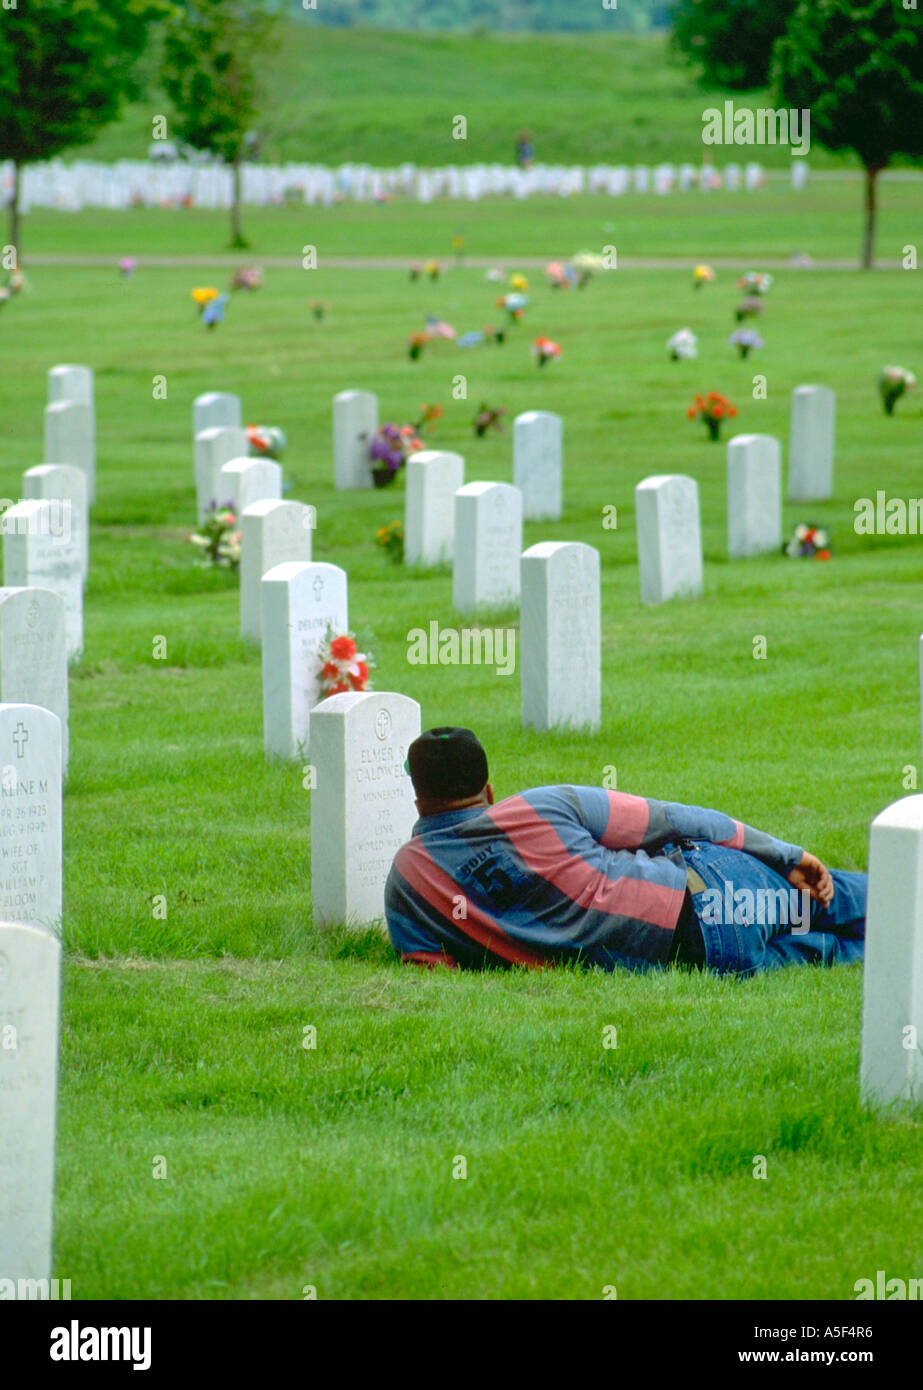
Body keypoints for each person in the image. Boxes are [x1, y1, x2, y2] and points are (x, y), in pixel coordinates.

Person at [384, 728, 867, 976]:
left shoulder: (408, 878)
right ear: (489, 792)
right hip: (709, 894)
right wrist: (785, 854)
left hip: (695, 964)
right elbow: (674, 819)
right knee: (840, 900)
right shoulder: (542, 805)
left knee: (839, 951)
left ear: (418, 799)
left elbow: (431, 968)